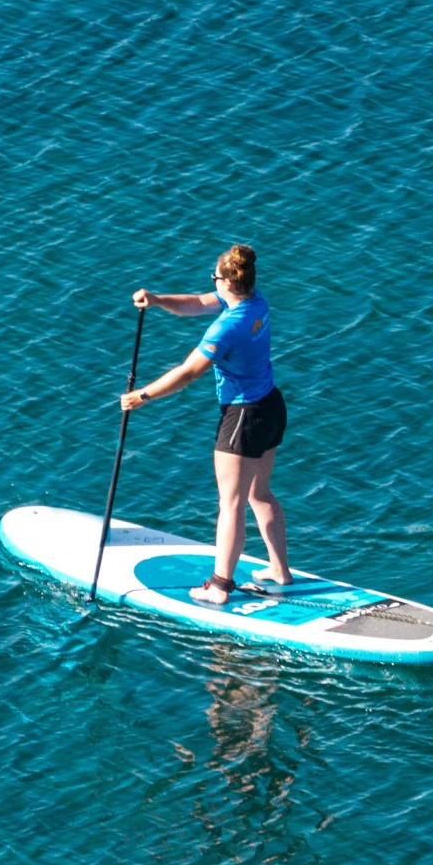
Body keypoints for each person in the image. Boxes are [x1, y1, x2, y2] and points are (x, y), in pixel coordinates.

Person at [125, 245, 291, 604]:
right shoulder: (255, 301)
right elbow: (199, 303)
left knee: (230, 504)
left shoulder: (227, 328)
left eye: (215, 278)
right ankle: (280, 570)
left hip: (243, 416)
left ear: (229, 282)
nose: (212, 284)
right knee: (258, 494)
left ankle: (219, 586)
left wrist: (143, 396)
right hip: (271, 406)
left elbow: (187, 373)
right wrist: (156, 300)